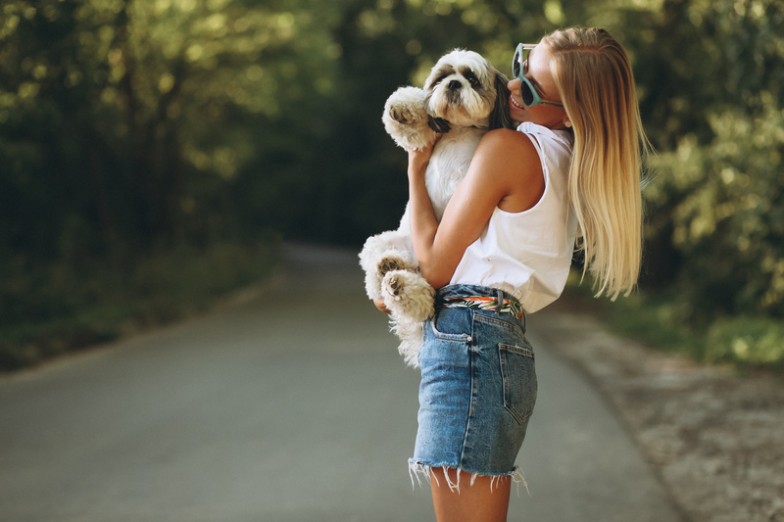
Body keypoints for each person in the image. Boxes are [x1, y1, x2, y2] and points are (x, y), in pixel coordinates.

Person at [373, 27, 648, 521]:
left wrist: (415, 168)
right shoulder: (567, 162)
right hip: (499, 344)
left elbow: (433, 267)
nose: (513, 86)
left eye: (534, 90)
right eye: (522, 66)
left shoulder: (507, 149)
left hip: (468, 342)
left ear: (571, 114)